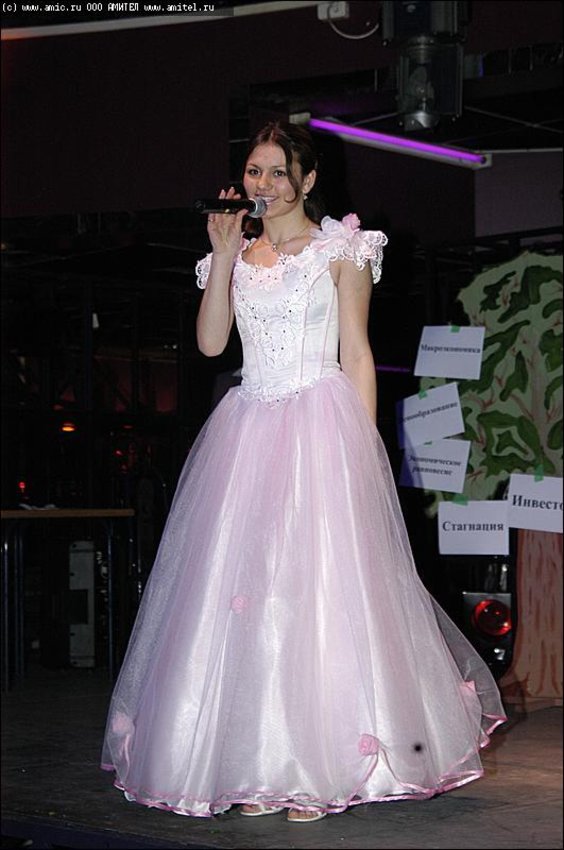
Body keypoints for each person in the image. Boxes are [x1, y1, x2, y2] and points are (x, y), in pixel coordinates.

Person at [101, 121, 506, 824]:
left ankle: (318, 767)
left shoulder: (342, 249)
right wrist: (222, 256)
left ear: (307, 180)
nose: (262, 184)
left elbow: (357, 353)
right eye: (253, 172)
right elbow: (210, 344)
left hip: (319, 424)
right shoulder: (237, 253)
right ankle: (260, 765)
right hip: (248, 429)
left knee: (314, 592)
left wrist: (361, 454)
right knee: (249, 599)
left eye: (276, 172)